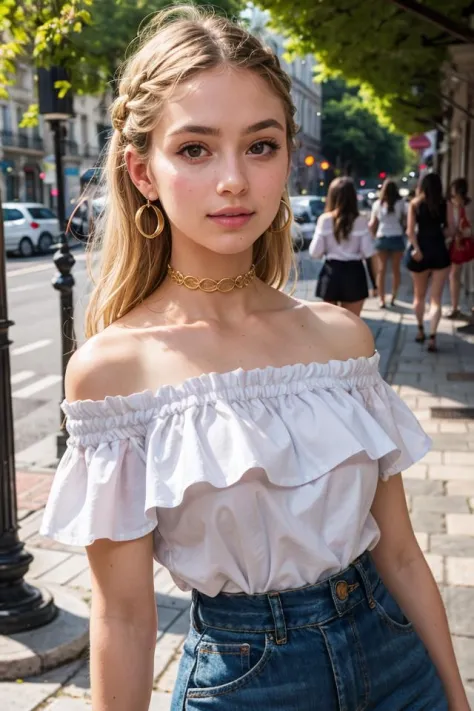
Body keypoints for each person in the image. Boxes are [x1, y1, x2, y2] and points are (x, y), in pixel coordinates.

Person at [40, 7, 468, 711]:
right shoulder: (115, 372)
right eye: (197, 149)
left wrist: (455, 694)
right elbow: (123, 615)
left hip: (397, 661)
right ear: (143, 170)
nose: (234, 180)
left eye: (261, 146)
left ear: (288, 157)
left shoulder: (341, 341)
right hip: (246, 684)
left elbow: (398, 553)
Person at [309, 177, 375, 316]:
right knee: (352, 323)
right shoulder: (361, 221)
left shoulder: (325, 220)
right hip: (354, 274)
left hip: (331, 273)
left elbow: (315, 252)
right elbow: (368, 252)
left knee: (330, 324)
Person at [405, 172, 454, 352]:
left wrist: (416, 248)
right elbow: (451, 229)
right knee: (436, 299)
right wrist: (442, 236)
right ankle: (433, 336)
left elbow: (410, 231)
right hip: (439, 251)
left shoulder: (415, 204)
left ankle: (420, 330)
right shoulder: (445, 203)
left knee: (419, 297)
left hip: (421, 252)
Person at [369, 178, 406, 308]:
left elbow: (372, 224)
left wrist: (374, 237)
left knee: (381, 270)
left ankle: (381, 299)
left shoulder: (377, 204)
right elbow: (405, 221)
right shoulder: (401, 203)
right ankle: (394, 297)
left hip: (382, 237)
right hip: (397, 237)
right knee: (396, 270)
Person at [447, 177, 474, 319]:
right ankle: (454, 307)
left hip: (470, 245)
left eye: (453, 190)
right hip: (457, 245)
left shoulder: (470, 206)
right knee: (454, 275)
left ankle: (470, 307)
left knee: (469, 277)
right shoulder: (452, 206)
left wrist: (464, 233)